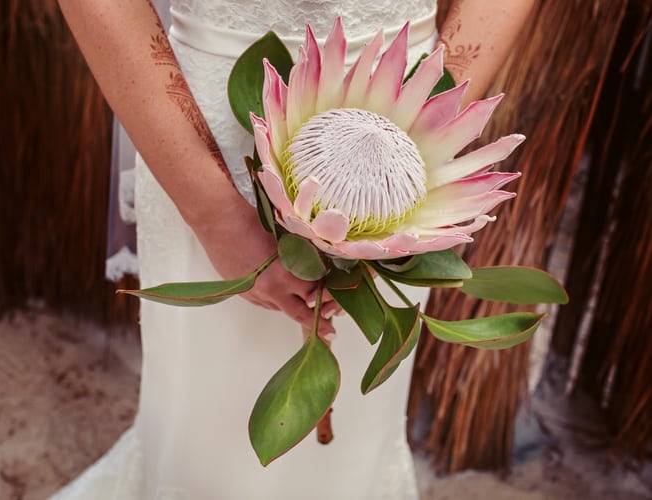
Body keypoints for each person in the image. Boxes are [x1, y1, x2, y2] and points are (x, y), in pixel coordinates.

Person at [53, 1, 534, 498]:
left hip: (401, 161)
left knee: (358, 431)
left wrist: (421, 122)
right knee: (206, 430)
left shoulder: (407, 146)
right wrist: (216, 215)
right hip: (205, 142)